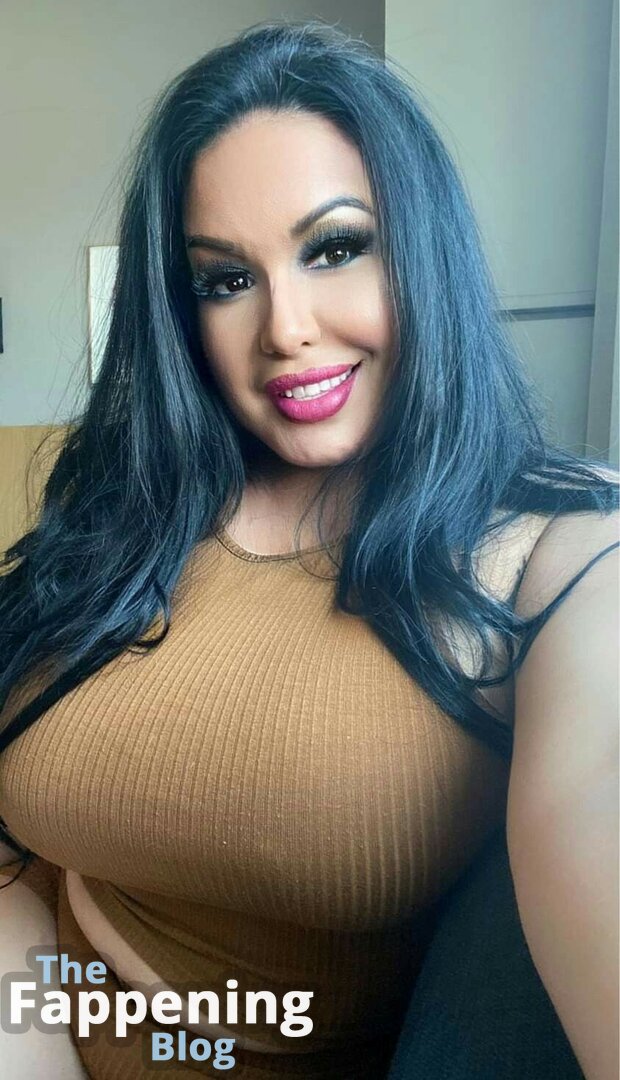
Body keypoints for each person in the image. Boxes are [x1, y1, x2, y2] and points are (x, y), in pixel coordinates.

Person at [0, 17, 618, 1080]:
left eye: (335, 249)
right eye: (224, 280)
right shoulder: (125, 507)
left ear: (422, 251)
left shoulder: (562, 549)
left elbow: (593, 819)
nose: (284, 328)